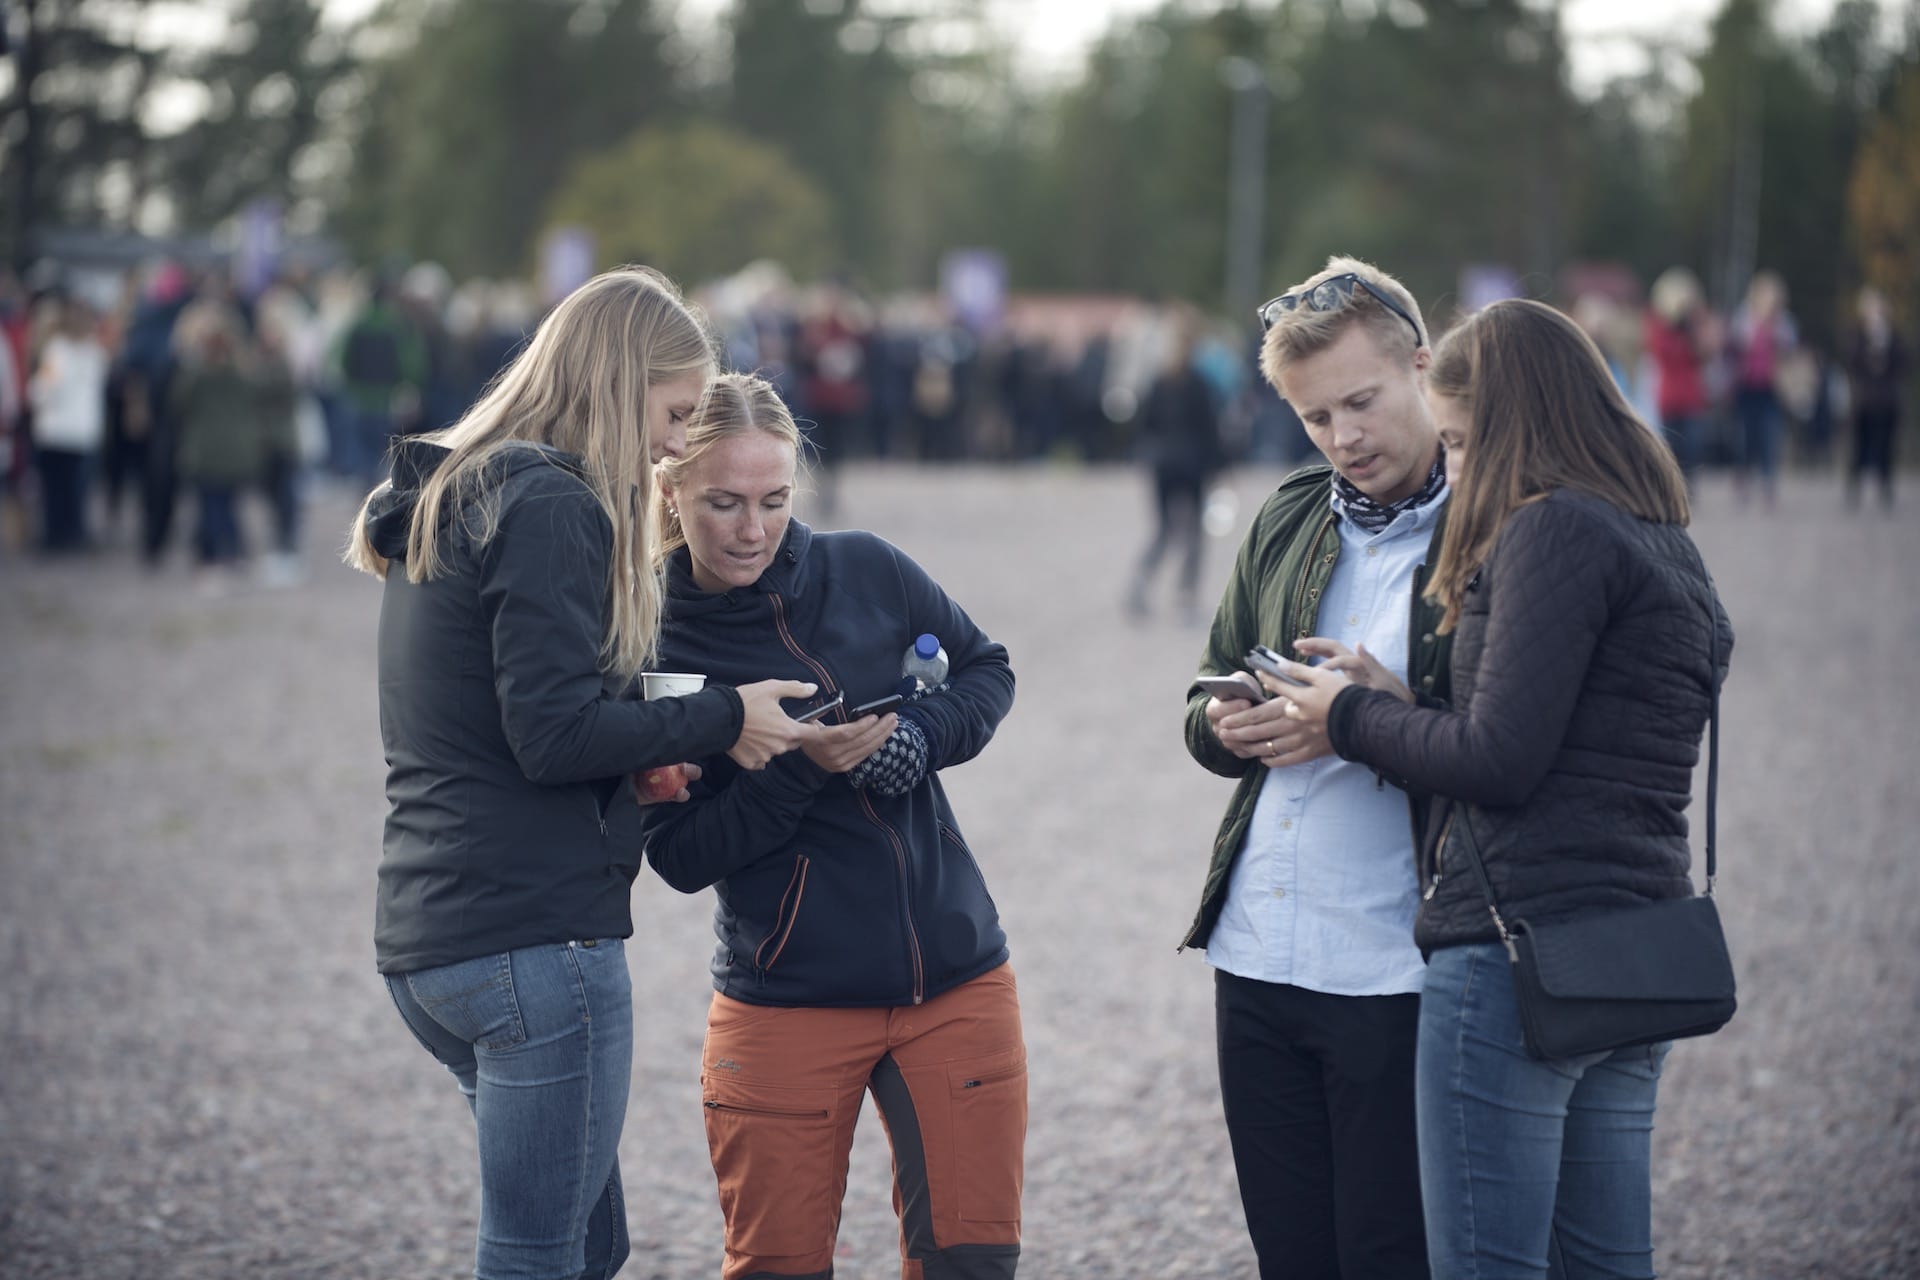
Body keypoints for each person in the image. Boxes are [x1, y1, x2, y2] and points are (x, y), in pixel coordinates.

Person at [344, 267, 820, 1280]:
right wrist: (726, 714)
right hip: (532, 942)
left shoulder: (458, 487)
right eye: (675, 410)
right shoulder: (552, 501)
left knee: (590, 1243)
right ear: (615, 381)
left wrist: (642, 750)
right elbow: (552, 735)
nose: (679, 441)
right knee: (537, 1254)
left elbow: (501, 719)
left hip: (435, 937)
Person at [1274, 297, 1733, 1278]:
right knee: (1608, 1264)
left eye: (1465, 442)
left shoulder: (1551, 526)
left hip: (1514, 957)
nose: (1463, 468)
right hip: (1630, 952)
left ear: (1517, 424)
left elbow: (1501, 761)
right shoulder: (1663, 541)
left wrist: (1345, 717)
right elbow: (1572, 740)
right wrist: (1405, 701)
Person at [640, 372, 1026, 1280]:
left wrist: (921, 740)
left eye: (774, 501)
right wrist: (796, 769)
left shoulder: (868, 566)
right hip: (784, 999)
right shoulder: (653, 643)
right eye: (723, 503)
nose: (752, 530)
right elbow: (682, 858)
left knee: (973, 1265)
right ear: (668, 489)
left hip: (956, 981)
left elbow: (986, 667)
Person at [1179, 255, 1451, 1279]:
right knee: (1291, 1255)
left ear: (1422, 367)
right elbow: (1203, 692)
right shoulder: (1293, 508)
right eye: (1313, 417)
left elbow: (1515, 743)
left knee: (1390, 1253)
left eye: (1362, 401)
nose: (1344, 437)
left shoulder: (1497, 520)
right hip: (1255, 950)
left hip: (1399, 959)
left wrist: (1377, 716)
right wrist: (1229, 724)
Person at [1125, 309, 1225, 625]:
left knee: (1164, 530)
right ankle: (1186, 595)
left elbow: (1145, 424)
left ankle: (1141, 583)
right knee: (1194, 533)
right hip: (1192, 464)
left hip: (1163, 463)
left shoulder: (1159, 381)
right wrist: (1221, 464)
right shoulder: (1197, 383)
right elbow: (1210, 429)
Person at [26, 295, 109, 553]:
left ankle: (55, 537)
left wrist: (33, 393)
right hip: (84, 431)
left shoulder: (57, 350)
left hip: (56, 430)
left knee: (54, 491)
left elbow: (45, 388)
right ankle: (73, 535)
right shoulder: (95, 351)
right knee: (77, 490)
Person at [1728, 270, 1796, 507]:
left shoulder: (1783, 322)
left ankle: (1768, 482)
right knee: (1745, 437)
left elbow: (1790, 348)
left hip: (1771, 388)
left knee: (1770, 436)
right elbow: (1734, 346)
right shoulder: (1744, 318)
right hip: (1746, 387)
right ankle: (1743, 478)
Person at [1843, 285, 1906, 510]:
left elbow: (1902, 363)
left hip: (1886, 400)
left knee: (1885, 447)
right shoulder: (1858, 334)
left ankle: (1885, 488)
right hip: (1864, 400)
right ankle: (1853, 489)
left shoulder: (1893, 335)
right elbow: (1851, 361)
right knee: (1858, 447)